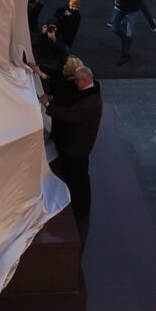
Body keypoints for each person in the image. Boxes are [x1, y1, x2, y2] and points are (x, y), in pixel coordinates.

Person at [43, 64, 102, 217]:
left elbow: (69, 114)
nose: (75, 83)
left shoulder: (89, 102)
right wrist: (53, 98)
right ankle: (78, 205)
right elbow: (71, 100)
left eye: (77, 80)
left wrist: (48, 104)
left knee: (78, 178)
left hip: (77, 146)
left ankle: (81, 209)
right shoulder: (89, 90)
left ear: (84, 80)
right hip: (76, 143)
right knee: (76, 176)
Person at [107, 0, 143, 64]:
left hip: (132, 9)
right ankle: (126, 39)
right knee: (114, 28)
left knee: (129, 32)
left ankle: (125, 53)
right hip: (119, 6)